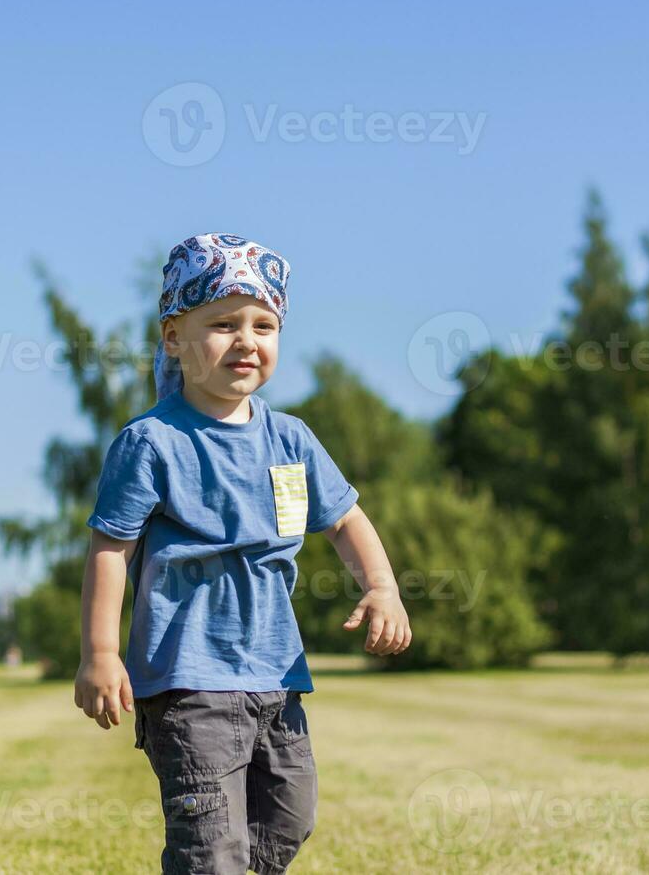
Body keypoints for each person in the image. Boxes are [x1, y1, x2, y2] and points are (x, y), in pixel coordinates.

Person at [74, 233, 412, 874]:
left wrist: (382, 587)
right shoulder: (152, 442)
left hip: (277, 675)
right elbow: (109, 551)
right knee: (211, 844)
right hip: (189, 679)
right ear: (173, 336)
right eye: (222, 324)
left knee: (290, 814)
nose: (246, 341)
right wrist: (100, 654)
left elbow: (344, 520)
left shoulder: (291, 438)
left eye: (264, 324)